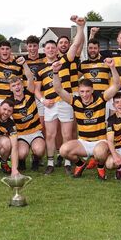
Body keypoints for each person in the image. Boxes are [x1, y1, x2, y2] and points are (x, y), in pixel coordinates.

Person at [53, 59, 120, 180]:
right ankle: (80, 164)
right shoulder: (75, 101)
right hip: (83, 142)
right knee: (63, 150)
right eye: (82, 91)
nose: (85, 94)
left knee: (99, 153)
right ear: (78, 91)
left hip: (100, 141)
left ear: (92, 90)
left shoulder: (101, 98)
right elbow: (58, 89)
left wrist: (113, 68)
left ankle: (100, 166)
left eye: (88, 91)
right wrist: (55, 72)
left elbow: (116, 86)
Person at [34, 16, 85, 174]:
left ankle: (68, 163)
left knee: (67, 134)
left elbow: (76, 44)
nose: (50, 50)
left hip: (65, 102)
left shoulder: (65, 60)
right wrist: (43, 100)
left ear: (57, 50)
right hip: (49, 104)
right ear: (45, 50)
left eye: (53, 48)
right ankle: (50, 163)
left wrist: (80, 27)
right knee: (50, 134)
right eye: (48, 48)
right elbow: (36, 89)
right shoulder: (40, 68)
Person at [9, 68, 47, 172]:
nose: (17, 87)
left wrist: (24, 64)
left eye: (18, 84)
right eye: (14, 86)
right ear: (10, 89)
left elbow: (30, 77)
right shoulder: (9, 102)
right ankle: (21, 160)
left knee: (39, 150)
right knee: (21, 153)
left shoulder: (29, 93)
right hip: (21, 134)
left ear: (22, 85)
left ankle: (36, 158)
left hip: (35, 132)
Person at [23, 35, 47, 128]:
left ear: (38, 46)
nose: (32, 49)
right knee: (28, 124)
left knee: (42, 125)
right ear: (26, 47)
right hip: (27, 96)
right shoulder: (21, 60)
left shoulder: (45, 58)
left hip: (41, 95)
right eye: (30, 46)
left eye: (34, 46)